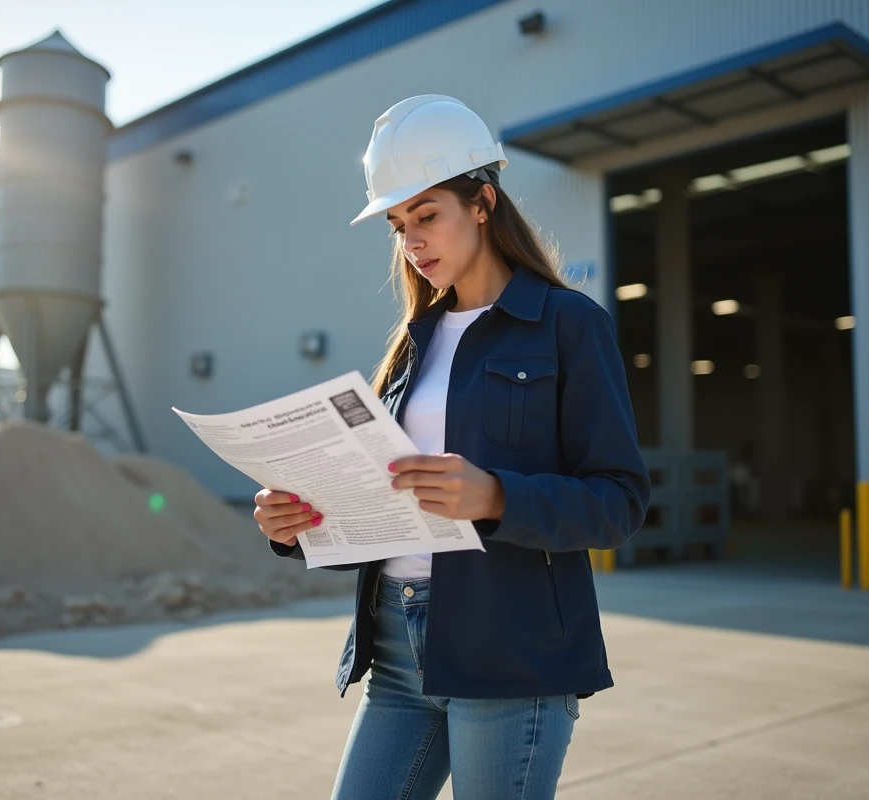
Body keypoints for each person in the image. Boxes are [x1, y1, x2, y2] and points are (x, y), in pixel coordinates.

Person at [252, 95, 650, 800]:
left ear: (483, 203)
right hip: (399, 650)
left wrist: (496, 496)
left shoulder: (567, 326)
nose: (411, 240)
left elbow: (618, 502)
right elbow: (385, 492)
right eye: (399, 225)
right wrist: (300, 523)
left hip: (511, 653)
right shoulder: (417, 340)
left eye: (426, 215)